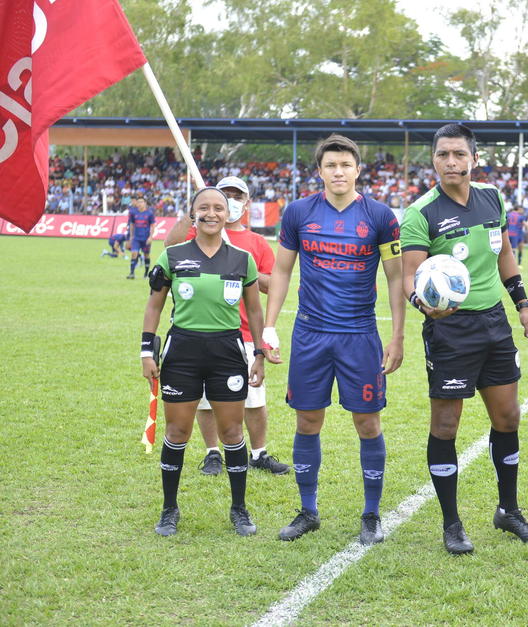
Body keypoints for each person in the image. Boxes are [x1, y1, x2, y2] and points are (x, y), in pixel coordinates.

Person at [400, 123, 528, 555]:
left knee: (508, 418)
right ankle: (452, 523)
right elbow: (410, 276)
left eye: (459, 154)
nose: (451, 162)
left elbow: (505, 254)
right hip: (450, 330)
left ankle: (508, 511)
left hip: (494, 323)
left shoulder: (492, 197)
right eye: (442, 154)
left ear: (473, 158)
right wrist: (423, 304)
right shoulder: (420, 213)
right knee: (446, 425)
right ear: (433, 160)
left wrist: (522, 304)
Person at [265, 134, 404, 545]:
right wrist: (269, 326)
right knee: (308, 420)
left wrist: (397, 336)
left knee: (368, 422)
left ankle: (371, 514)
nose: (338, 171)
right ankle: (308, 511)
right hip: (310, 334)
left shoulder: (380, 216)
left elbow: (396, 277)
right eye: (331, 165)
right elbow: (282, 272)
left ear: (358, 169)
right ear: (320, 171)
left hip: (359, 335)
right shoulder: (298, 212)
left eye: (345, 165)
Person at [141, 187, 270, 537]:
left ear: (228, 214)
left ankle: (239, 509)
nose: (212, 213)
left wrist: (259, 353)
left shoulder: (242, 259)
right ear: (192, 214)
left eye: (218, 208)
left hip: (227, 353)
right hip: (182, 352)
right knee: (177, 432)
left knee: (232, 432)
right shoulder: (173, 256)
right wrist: (146, 352)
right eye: (204, 207)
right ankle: (169, 509)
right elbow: (154, 306)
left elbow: (255, 310)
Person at [164, 176, 288, 477]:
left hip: (243, 332)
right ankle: (212, 453)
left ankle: (258, 453)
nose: (231, 201)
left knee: (253, 400)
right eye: (225, 194)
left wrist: (242, 267)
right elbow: (169, 247)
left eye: (237, 196)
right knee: (206, 402)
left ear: (246, 203)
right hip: (200, 332)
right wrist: (194, 211)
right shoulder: (196, 233)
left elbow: (271, 284)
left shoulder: (256, 243)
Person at [127, 195, 155, 279]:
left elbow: (152, 226)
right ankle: (132, 273)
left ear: (145, 203)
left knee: (146, 255)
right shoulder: (133, 213)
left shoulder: (149, 213)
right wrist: (131, 236)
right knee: (134, 254)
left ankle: (146, 274)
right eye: (138, 202)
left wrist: (150, 237)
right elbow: (132, 225)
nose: (139, 203)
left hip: (146, 239)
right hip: (136, 238)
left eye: (141, 202)